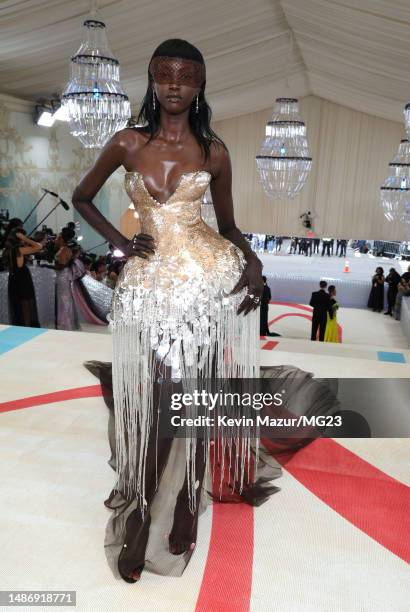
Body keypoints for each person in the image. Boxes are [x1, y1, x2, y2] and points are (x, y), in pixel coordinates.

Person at [72, 39, 267, 583]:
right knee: (159, 404)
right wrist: (119, 242)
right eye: (165, 75)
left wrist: (253, 265)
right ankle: (140, 513)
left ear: (200, 84)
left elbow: (227, 228)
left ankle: (183, 504)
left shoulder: (215, 152)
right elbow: (81, 196)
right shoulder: (127, 142)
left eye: (186, 76)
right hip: (148, 289)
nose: (175, 85)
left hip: (204, 282)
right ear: (153, 80)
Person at [4, 225, 43, 327]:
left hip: (13, 278)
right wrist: (25, 238)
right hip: (23, 278)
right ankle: (27, 327)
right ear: (19, 238)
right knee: (25, 304)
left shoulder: (8, 250)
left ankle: (21, 326)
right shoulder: (19, 250)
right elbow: (39, 246)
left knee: (18, 304)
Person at [54, 227, 85, 331]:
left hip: (63, 275)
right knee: (66, 299)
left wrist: (47, 266)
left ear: (62, 239)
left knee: (64, 300)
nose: (57, 238)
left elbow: (61, 266)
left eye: (59, 236)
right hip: (65, 275)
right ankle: (68, 323)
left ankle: (65, 324)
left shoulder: (63, 250)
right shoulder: (67, 249)